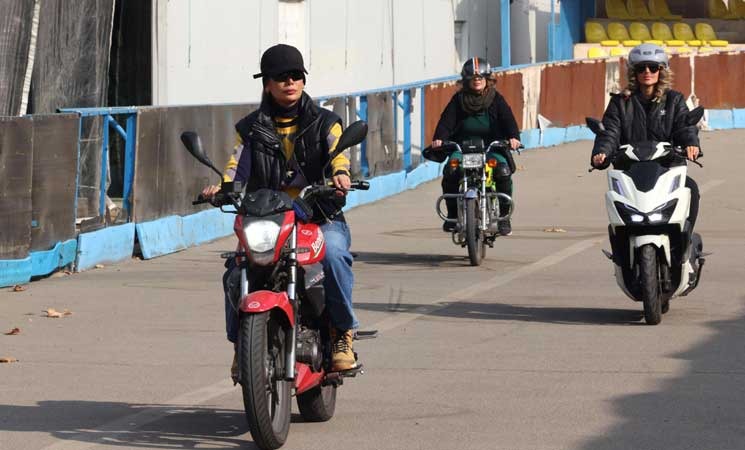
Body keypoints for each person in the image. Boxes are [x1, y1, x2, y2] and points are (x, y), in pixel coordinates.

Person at [201, 44, 359, 380]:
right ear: (267, 83)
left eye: (296, 75)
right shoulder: (249, 128)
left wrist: (341, 175)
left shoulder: (326, 123)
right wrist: (222, 187)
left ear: (303, 80)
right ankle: (241, 346)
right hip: (269, 219)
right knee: (236, 272)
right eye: (281, 76)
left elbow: (338, 155)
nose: (290, 82)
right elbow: (236, 167)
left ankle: (342, 333)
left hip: (319, 214)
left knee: (334, 255)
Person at [590, 43, 701, 230]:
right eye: (641, 68)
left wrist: (691, 143)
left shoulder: (674, 100)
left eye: (653, 67)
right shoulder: (620, 102)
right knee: (616, 201)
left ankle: (685, 238)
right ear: (634, 72)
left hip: (667, 167)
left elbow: (685, 126)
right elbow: (610, 132)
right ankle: (621, 243)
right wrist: (601, 152)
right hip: (630, 169)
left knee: (691, 188)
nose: (647, 72)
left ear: (662, 70)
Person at [431, 57, 522, 236]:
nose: (477, 80)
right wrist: (439, 138)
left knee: (502, 171)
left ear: (487, 79)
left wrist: (513, 137)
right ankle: (452, 214)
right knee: (451, 170)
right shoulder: (458, 100)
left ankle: (504, 217)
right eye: (473, 77)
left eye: (480, 77)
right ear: (466, 80)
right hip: (462, 148)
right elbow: (446, 122)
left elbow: (507, 119)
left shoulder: (496, 99)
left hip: (491, 148)